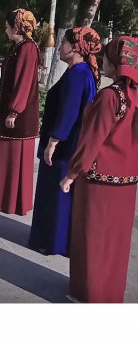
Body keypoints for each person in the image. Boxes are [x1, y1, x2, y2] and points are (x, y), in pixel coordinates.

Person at [60, 36, 138, 303]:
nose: (102, 61)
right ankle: (110, 294)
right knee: (116, 243)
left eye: (106, 58)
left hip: (98, 182)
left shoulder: (110, 96)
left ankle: (89, 294)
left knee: (92, 239)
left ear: (115, 64)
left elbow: (92, 139)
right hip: (127, 183)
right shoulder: (134, 96)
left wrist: (71, 174)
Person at [28, 28, 99, 256]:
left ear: (76, 46)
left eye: (64, 42)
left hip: (65, 147)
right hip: (68, 144)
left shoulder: (79, 74)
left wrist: (53, 142)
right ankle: (54, 240)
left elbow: (69, 112)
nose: (60, 46)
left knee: (57, 195)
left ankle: (54, 242)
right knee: (56, 194)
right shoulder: (79, 71)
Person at [0, 9, 40, 215]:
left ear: (16, 27)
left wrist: (14, 111)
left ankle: (14, 202)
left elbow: (24, 81)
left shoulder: (28, 48)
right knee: (5, 157)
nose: (5, 29)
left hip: (19, 115)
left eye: (7, 26)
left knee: (15, 157)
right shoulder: (15, 47)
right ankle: (2, 200)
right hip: (9, 111)